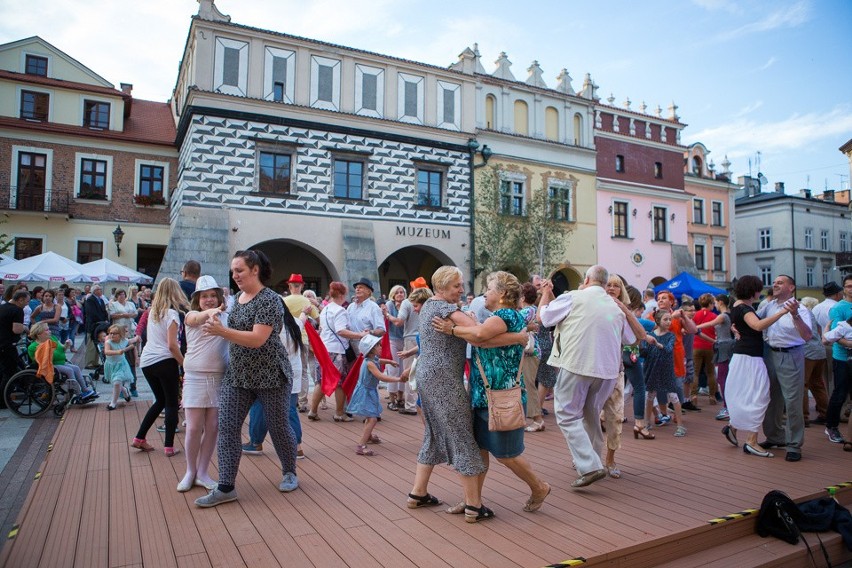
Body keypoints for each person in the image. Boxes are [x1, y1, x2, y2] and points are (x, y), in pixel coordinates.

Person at [432, 271, 550, 518]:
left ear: (503, 294)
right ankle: (472, 501)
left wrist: (451, 329)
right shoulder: (501, 317)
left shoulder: (506, 314)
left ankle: (540, 487)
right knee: (479, 452)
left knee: (507, 455)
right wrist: (515, 336)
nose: (485, 292)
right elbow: (481, 337)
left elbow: (480, 337)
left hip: (501, 397)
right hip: (484, 396)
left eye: (489, 288)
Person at [195, 250, 298, 508]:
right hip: (238, 374)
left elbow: (258, 339)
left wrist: (222, 331)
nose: (235, 275)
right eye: (233, 271)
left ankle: (289, 471)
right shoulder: (236, 299)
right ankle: (226, 486)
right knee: (228, 427)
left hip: (270, 374)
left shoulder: (270, 300)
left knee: (278, 426)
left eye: (239, 270)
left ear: (255, 270)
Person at [538, 265, 636, 488]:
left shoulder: (574, 297)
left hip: (578, 364)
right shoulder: (614, 306)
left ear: (588, 278)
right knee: (590, 413)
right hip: (607, 371)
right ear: (603, 283)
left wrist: (545, 294)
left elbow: (544, 318)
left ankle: (590, 465)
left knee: (567, 414)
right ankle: (593, 460)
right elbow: (629, 339)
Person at [722, 275, 792, 458]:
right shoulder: (745, 308)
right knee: (759, 396)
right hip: (750, 358)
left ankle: (733, 427)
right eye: (759, 289)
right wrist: (782, 312)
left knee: (746, 394)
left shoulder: (737, 305)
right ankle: (751, 441)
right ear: (753, 291)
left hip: (743, 356)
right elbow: (758, 325)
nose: (760, 292)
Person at [177, 276, 228, 492]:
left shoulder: (226, 317)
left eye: (212, 296)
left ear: (218, 297)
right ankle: (190, 471)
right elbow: (195, 319)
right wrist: (211, 312)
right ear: (197, 299)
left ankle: (203, 472)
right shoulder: (191, 315)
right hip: (195, 377)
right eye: (204, 296)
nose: (209, 300)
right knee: (194, 427)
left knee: (213, 427)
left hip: (218, 378)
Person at [756, 275, 812, 462]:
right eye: (774, 282)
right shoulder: (769, 306)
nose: (775, 284)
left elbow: (807, 335)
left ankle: (794, 445)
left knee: (792, 401)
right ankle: (774, 436)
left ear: (792, 287)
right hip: (770, 353)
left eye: (780, 282)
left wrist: (794, 315)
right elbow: (755, 322)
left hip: (791, 355)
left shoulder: (800, 309)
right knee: (770, 397)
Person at [131, 278, 188, 457]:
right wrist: (185, 364)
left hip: (148, 361)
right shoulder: (171, 314)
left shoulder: (153, 312)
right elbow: (172, 345)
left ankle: (140, 438)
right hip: (165, 360)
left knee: (160, 401)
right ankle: (169, 446)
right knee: (172, 403)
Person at [244, 298, 307, 460]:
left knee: (259, 405)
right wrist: (304, 312)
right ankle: (297, 445)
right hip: (294, 370)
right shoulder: (294, 324)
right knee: (290, 408)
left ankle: (256, 442)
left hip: (273, 373)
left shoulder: (270, 327)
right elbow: (302, 320)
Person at [308, 281, 364, 421]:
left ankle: (313, 411)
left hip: (323, 349)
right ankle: (339, 413)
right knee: (340, 381)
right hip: (336, 350)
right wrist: (360, 335)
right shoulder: (340, 310)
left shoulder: (326, 309)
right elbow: (341, 331)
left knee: (321, 381)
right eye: (345, 293)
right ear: (341, 294)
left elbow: (322, 328)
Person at [347, 334, 403, 455]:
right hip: (366, 392)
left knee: (370, 415)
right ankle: (361, 445)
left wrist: (389, 361)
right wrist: (398, 379)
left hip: (369, 391)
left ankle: (369, 435)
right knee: (372, 418)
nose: (381, 347)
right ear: (371, 349)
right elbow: (380, 376)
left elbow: (379, 361)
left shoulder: (372, 359)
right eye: (378, 345)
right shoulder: (370, 363)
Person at [385, 277, 428, 416]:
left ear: (411, 289)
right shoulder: (429, 301)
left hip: (410, 339)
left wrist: (387, 315)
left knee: (410, 372)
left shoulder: (407, 302)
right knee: (421, 372)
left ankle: (410, 405)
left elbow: (398, 322)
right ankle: (422, 403)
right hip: (425, 338)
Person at [641, 311, 685, 436]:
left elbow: (668, 349)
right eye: (666, 319)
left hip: (666, 370)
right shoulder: (649, 335)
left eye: (670, 319)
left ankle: (680, 426)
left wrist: (657, 344)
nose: (669, 322)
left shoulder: (670, 336)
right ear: (658, 321)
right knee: (650, 395)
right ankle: (646, 422)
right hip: (652, 369)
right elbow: (644, 354)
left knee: (673, 396)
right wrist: (640, 345)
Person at [27, 322, 96, 401]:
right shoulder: (33, 347)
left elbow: (62, 348)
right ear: (39, 334)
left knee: (76, 368)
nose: (50, 331)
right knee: (69, 370)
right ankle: (78, 393)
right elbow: (39, 361)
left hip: (61, 363)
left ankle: (85, 390)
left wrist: (67, 345)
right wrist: (46, 350)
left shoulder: (52, 338)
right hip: (49, 366)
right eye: (46, 330)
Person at [695, 294, 734, 420]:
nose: (715, 304)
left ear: (721, 302)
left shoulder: (723, 316)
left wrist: (695, 327)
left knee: (722, 378)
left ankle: (727, 407)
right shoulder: (730, 314)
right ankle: (726, 405)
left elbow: (710, 323)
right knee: (721, 376)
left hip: (724, 347)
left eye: (716, 302)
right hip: (726, 345)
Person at [283, 274, 319, 413]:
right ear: (302, 286)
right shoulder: (306, 301)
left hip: (286, 338)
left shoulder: (284, 300)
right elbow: (317, 319)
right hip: (303, 338)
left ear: (290, 286)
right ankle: (302, 401)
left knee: (287, 368)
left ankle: (289, 398)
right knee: (303, 371)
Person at [825, 274, 852, 446]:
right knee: (840, 393)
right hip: (842, 358)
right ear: (844, 289)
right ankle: (831, 426)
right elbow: (835, 336)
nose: (851, 289)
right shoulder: (839, 308)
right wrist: (850, 343)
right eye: (848, 286)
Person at [822, 314, 852, 451]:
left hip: (846, 362)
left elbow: (826, 339)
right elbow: (826, 340)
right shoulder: (839, 311)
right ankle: (832, 426)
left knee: (840, 393)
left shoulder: (844, 325)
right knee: (840, 393)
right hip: (844, 362)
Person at [799, 297, 829, 427]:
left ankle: (804, 417)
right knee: (817, 384)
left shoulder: (797, 311)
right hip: (819, 350)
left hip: (807, 351)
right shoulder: (808, 311)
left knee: (802, 384)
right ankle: (826, 413)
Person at [519, 283, 544, 432]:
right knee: (527, 385)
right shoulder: (533, 309)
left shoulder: (527, 311)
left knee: (528, 386)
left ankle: (538, 419)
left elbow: (515, 325)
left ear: (522, 297)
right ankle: (534, 418)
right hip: (533, 352)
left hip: (529, 353)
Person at [108, 288, 140, 395]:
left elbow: (135, 313)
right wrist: (123, 315)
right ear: (117, 296)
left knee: (130, 361)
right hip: (118, 334)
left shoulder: (130, 304)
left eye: (123, 294)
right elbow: (112, 315)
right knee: (120, 363)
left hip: (129, 331)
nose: (122, 296)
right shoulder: (113, 304)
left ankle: (133, 386)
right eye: (120, 294)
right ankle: (121, 388)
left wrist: (128, 315)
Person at [380, 285, 407, 411]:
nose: (400, 294)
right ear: (393, 294)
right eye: (398, 292)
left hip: (405, 339)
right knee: (393, 368)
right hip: (393, 339)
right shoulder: (390, 305)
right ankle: (391, 399)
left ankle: (400, 397)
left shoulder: (407, 304)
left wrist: (388, 315)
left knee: (403, 370)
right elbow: (385, 317)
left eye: (402, 292)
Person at [0, 290, 29, 405]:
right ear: (20, 299)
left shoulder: (2, 307)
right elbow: (16, 329)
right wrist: (25, 328)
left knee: (2, 372)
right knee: (10, 372)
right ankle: (3, 401)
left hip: (1, 343)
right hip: (7, 345)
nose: (26, 304)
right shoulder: (17, 310)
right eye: (26, 302)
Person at [102, 325, 137, 410]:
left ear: (120, 334)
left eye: (114, 333)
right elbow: (106, 352)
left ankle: (113, 403)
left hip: (121, 365)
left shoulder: (124, 341)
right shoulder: (108, 342)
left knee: (117, 382)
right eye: (110, 333)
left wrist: (127, 348)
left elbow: (132, 344)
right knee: (116, 382)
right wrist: (118, 351)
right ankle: (124, 390)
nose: (112, 335)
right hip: (111, 365)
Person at [693, 293, 718, 406]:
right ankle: (712, 396)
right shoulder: (714, 316)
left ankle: (693, 396)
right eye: (712, 303)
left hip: (696, 345)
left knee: (695, 373)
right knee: (711, 373)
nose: (713, 305)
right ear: (709, 304)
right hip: (709, 346)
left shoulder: (695, 315)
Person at [84, 285, 109, 369]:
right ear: (94, 291)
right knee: (91, 344)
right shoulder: (90, 300)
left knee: (97, 343)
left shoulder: (101, 300)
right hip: (93, 324)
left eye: (101, 289)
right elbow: (92, 312)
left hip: (100, 325)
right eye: (99, 289)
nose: (100, 290)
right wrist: (100, 320)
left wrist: (105, 319)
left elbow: (104, 311)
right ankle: (89, 362)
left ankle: (95, 361)